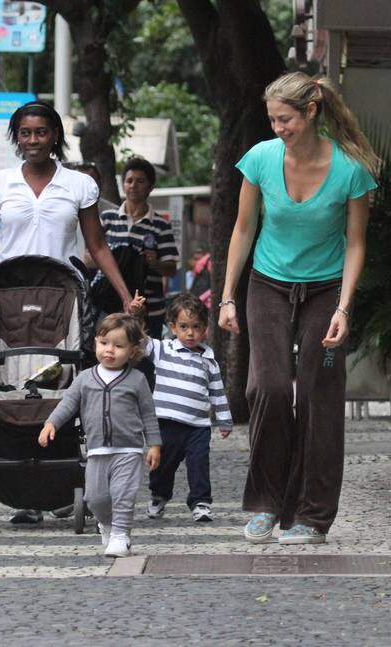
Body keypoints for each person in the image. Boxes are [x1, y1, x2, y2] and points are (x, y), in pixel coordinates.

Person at [218, 72, 377, 545]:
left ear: (310, 112)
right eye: (272, 119)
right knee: (266, 388)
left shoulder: (350, 168)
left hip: (326, 291)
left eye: (284, 119)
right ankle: (267, 505)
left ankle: (312, 514)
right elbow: (243, 229)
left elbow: (355, 243)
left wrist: (345, 308)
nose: (277, 128)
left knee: (317, 395)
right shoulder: (262, 159)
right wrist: (228, 294)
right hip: (267, 286)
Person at [0, 100, 134, 524]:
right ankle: (21, 494)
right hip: (9, 301)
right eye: (25, 133)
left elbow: (97, 245)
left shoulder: (78, 185)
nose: (33, 140)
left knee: (61, 385)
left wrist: (125, 295)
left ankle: (61, 488)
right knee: (12, 383)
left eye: (41, 132)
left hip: (63, 300)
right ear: (17, 138)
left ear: (55, 136)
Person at [38, 313, 162, 557]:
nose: (109, 350)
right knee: (96, 499)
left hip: (129, 450)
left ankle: (120, 535)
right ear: (96, 342)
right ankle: (106, 525)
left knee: (123, 495)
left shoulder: (137, 380)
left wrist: (154, 444)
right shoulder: (85, 378)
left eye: (118, 346)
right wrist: (51, 423)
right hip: (97, 451)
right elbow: (68, 403)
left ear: (132, 351)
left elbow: (149, 414)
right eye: (104, 343)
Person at [132, 292, 232, 522]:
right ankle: (159, 495)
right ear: (173, 327)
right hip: (165, 423)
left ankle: (201, 502)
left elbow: (217, 392)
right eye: (184, 326)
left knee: (199, 464)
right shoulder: (163, 349)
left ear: (205, 328)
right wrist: (136, 315)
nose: (190, 333)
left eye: (196, 327)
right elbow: (139, 339)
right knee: (162, 466)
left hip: (198, 426)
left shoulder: (209, 359)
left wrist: (224, 420)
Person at [92, 157, 179, 339]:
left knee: (145, 358)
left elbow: (171, 269)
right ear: (123, 184)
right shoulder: (107, 218)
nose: (133, 185)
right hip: (108, 306)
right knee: (109, 353)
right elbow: (90, 255)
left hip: (150, 309)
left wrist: (154, 263)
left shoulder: (161, 225)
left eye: (140, 181)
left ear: (150, 186)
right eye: (129, 181)